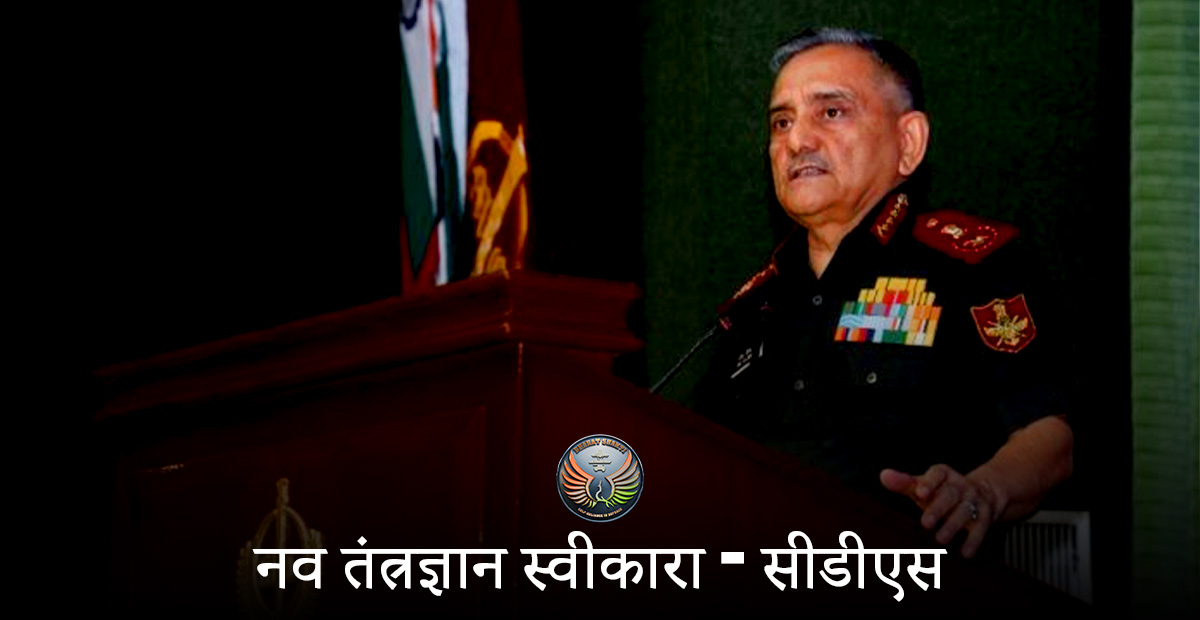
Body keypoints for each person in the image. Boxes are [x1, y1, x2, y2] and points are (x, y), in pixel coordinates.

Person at [698, 28, 1073, 559]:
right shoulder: (753, 308)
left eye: (831, 112)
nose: (797, 141)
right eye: (781, 122)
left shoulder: (971, 267)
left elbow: (1049, 435)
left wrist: (984, 491)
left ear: (909, 142)